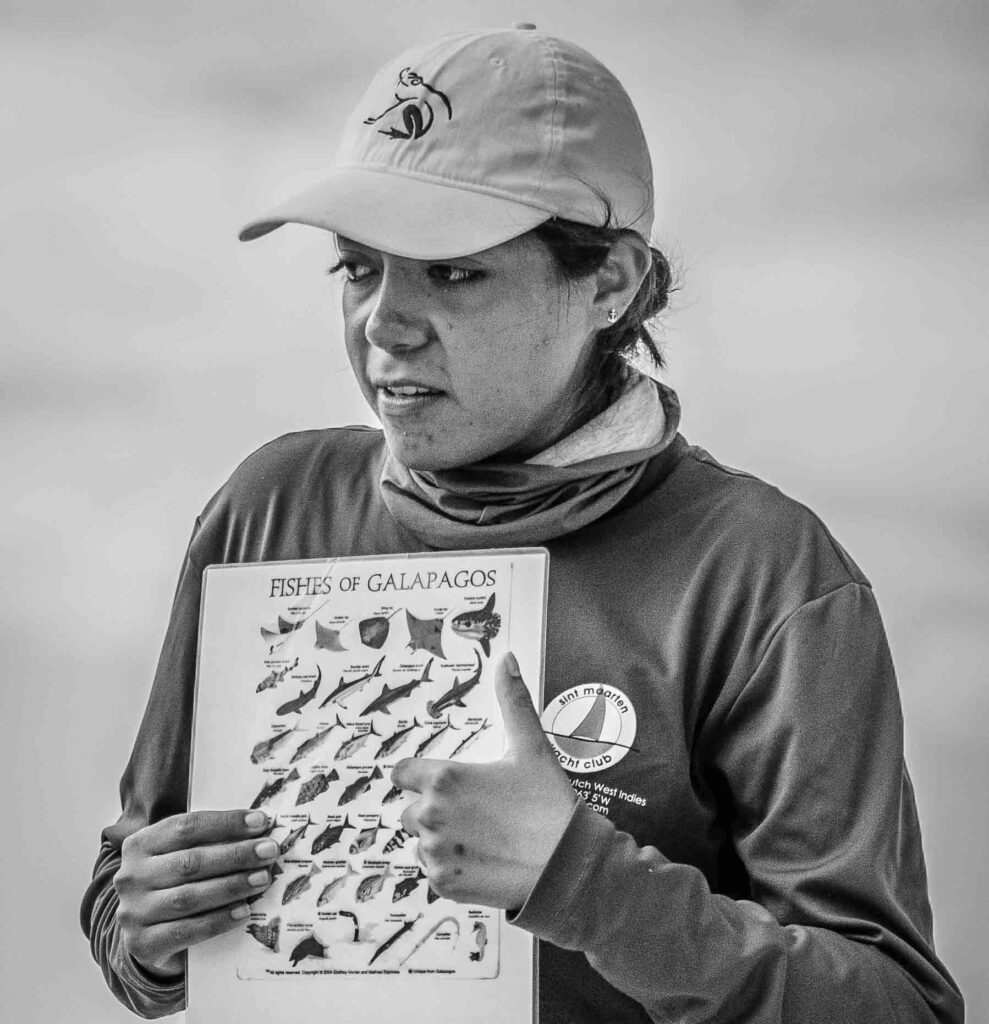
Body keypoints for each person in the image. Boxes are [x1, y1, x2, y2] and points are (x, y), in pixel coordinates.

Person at [81, 24, 964, 1024]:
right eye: (357, 268)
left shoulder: (760, 573)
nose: (384, 324)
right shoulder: (267, 509)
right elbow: (128, 899)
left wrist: (580, 878)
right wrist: (146, 928)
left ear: (609, 282)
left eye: (451, 272)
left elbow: (898, 1009)